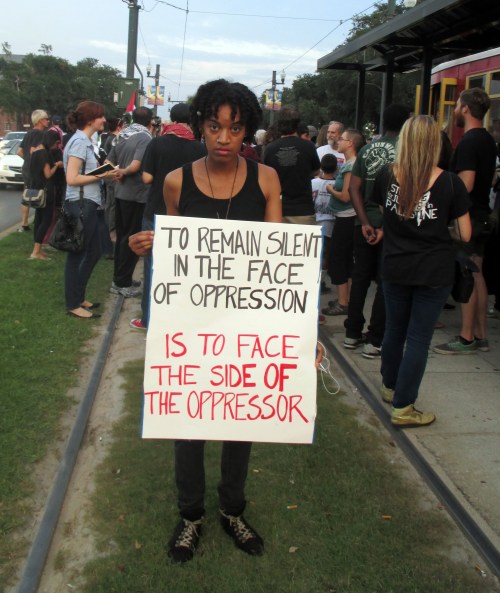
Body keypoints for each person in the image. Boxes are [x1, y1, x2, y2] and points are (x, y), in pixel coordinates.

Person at [130, 79, 322, 564]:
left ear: (247, 133)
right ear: (200, 125)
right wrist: (146, 243)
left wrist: (303, 333)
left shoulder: (266, 181)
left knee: (242, 416)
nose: (223, 138)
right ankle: (190, 515)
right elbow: (166, 243)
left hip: (247, 331)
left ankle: (232, 509)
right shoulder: (177, 181)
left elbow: (280, 265)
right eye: (214, 126)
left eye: (234, 129)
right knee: (187, 421)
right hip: (191, 328)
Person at [370, 115, 471, 427]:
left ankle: (389, 386)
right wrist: (441, 230)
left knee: (394, 330)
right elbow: (465, 234)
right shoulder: (450, 182)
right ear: (434, 143)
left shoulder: (389, 175)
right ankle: (404, 406)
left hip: (395, 265)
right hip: (433, 271)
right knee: (417, 338)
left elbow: (385, 215)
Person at [130, 102, 206, 330]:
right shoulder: (199, 148)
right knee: (185, 269)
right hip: (188, 215)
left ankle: (149, 320)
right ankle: (181, 320)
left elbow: (147, 179)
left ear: (171, 119)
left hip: (156, 211)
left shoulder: (157, 143)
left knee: (152, 267)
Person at [434, 88, 497, 355]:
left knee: (468, 276)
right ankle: (481, 335)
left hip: (468, 218)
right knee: (478, 275)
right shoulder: (487, 140)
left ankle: (467, 336)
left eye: (457, 105)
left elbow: (466, 184)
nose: (455, 109)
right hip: (483, 214)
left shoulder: (470, 142)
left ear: (466, 109)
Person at [345, 104, 411, 358]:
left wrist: (364, 222)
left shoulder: (367, 149)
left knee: (360, 277)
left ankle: (352, 333)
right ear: (405, 124)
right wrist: (383, 226)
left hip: (362, 223)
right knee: (385, 282)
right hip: (390, 227)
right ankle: (375, 339)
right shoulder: (403, 152)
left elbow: (353, 189)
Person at [63, 101, 118, 319]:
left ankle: (78, 296)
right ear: (90, 120)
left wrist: (107, 171)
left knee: (95, 251)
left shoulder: (84, 141)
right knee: (76, 255)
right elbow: (72, 178)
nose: (104, 120)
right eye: (101, 116)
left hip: (90, 204)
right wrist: (102, 174)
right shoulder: (78, 142)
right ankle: (73, 303)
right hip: (80, 205)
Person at [107, 107, 153, 297]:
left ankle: (120, 278)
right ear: (150, 121)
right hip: (136, 195)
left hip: (120, 194)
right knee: (132, 239)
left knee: (122, 237)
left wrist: (117, 173)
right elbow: (135, 166)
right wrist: (124, 172)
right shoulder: (144, 137)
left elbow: (108, 162)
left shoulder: (122, 135)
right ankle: (122, 283)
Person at [322, 129, 365, 316]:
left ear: (351, 144)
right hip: (346, 217)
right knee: (345, 259)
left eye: (342, 139)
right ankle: (344, 298)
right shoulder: (351, 164)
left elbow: (347, 196)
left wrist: (330, 189)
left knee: (338, 258)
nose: (338, 141)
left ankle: (343, 301)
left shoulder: (351, 166)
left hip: (346, 218)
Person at [263, 105, 320, 224]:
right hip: (303, 211)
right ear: (298, 124)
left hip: (276, 210)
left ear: (279, 123)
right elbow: (316, 171)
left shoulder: (270, 149)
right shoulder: (308, 146)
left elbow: (265, 177)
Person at [28, 130, 63, 260]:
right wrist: (57, 165)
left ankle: (37, 248)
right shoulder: (45, 154)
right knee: (46, 219)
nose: (56, 146)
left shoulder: (35, 152)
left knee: (38, 219)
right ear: (50, 141)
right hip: (46, 189)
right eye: (55, 143)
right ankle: (36, 251)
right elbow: (48, 174)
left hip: (36, 189)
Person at [17, 109, 50, 232]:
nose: (48, 121)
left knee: (26, 193)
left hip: (26, 168)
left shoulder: (28, 134)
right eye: (46, 119)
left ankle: (24, 223)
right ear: (40, 120)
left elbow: (19, 151)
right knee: (39, 193)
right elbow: (34, 150)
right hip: (36, 169)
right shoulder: (40, 134)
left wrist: (28, 160)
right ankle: (39, 221)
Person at [312, 154, 337, 293]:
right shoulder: (336, 185)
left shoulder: (312, 183)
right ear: (336, 168)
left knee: (314, 253)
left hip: (314, 220)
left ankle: (313, 280)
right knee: (325, 255)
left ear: (321, 166)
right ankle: (320, 282)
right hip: (329, 224)